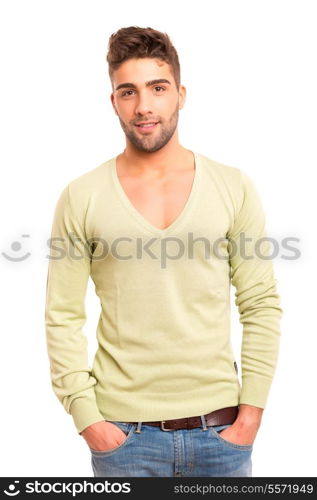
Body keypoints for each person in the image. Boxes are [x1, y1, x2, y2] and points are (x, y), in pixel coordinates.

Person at [45, 26, 283, 477]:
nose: (144, 106)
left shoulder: (232, 186)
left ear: (181, 94)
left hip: (222, 431)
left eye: (158, 88)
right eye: (128, 91)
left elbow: (261, 304)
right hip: (122, 437)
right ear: (113, 101)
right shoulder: (82, 195)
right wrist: (87, 418)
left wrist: (250, 413)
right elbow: (62, 314)